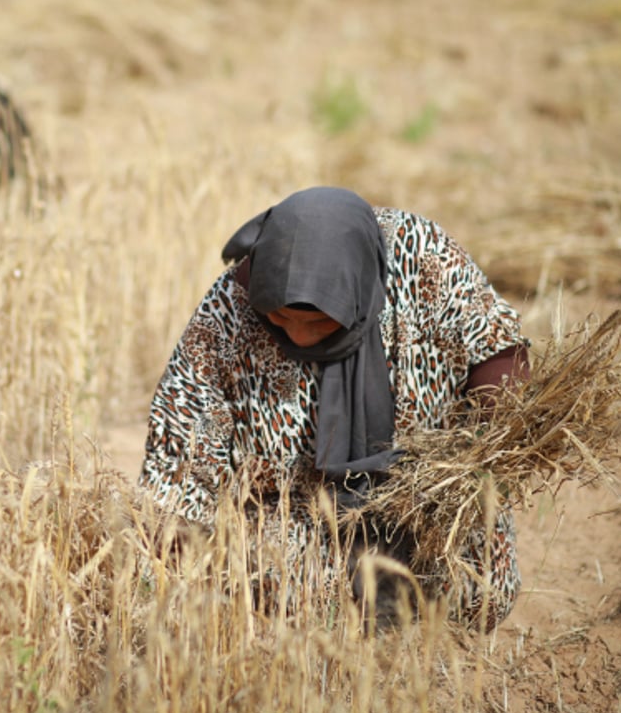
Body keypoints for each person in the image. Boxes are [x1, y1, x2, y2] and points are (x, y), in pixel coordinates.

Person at [137, 186, 530, 631]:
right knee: (294, 604)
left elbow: (496, 348)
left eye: (319, 321)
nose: (300, 338)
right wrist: (175, 562)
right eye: (281, 318)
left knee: (476, 596)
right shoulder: (233, 305)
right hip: (297, 514)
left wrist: (469, 466)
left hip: (427, 500)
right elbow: (181, 441)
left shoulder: (422, 256)